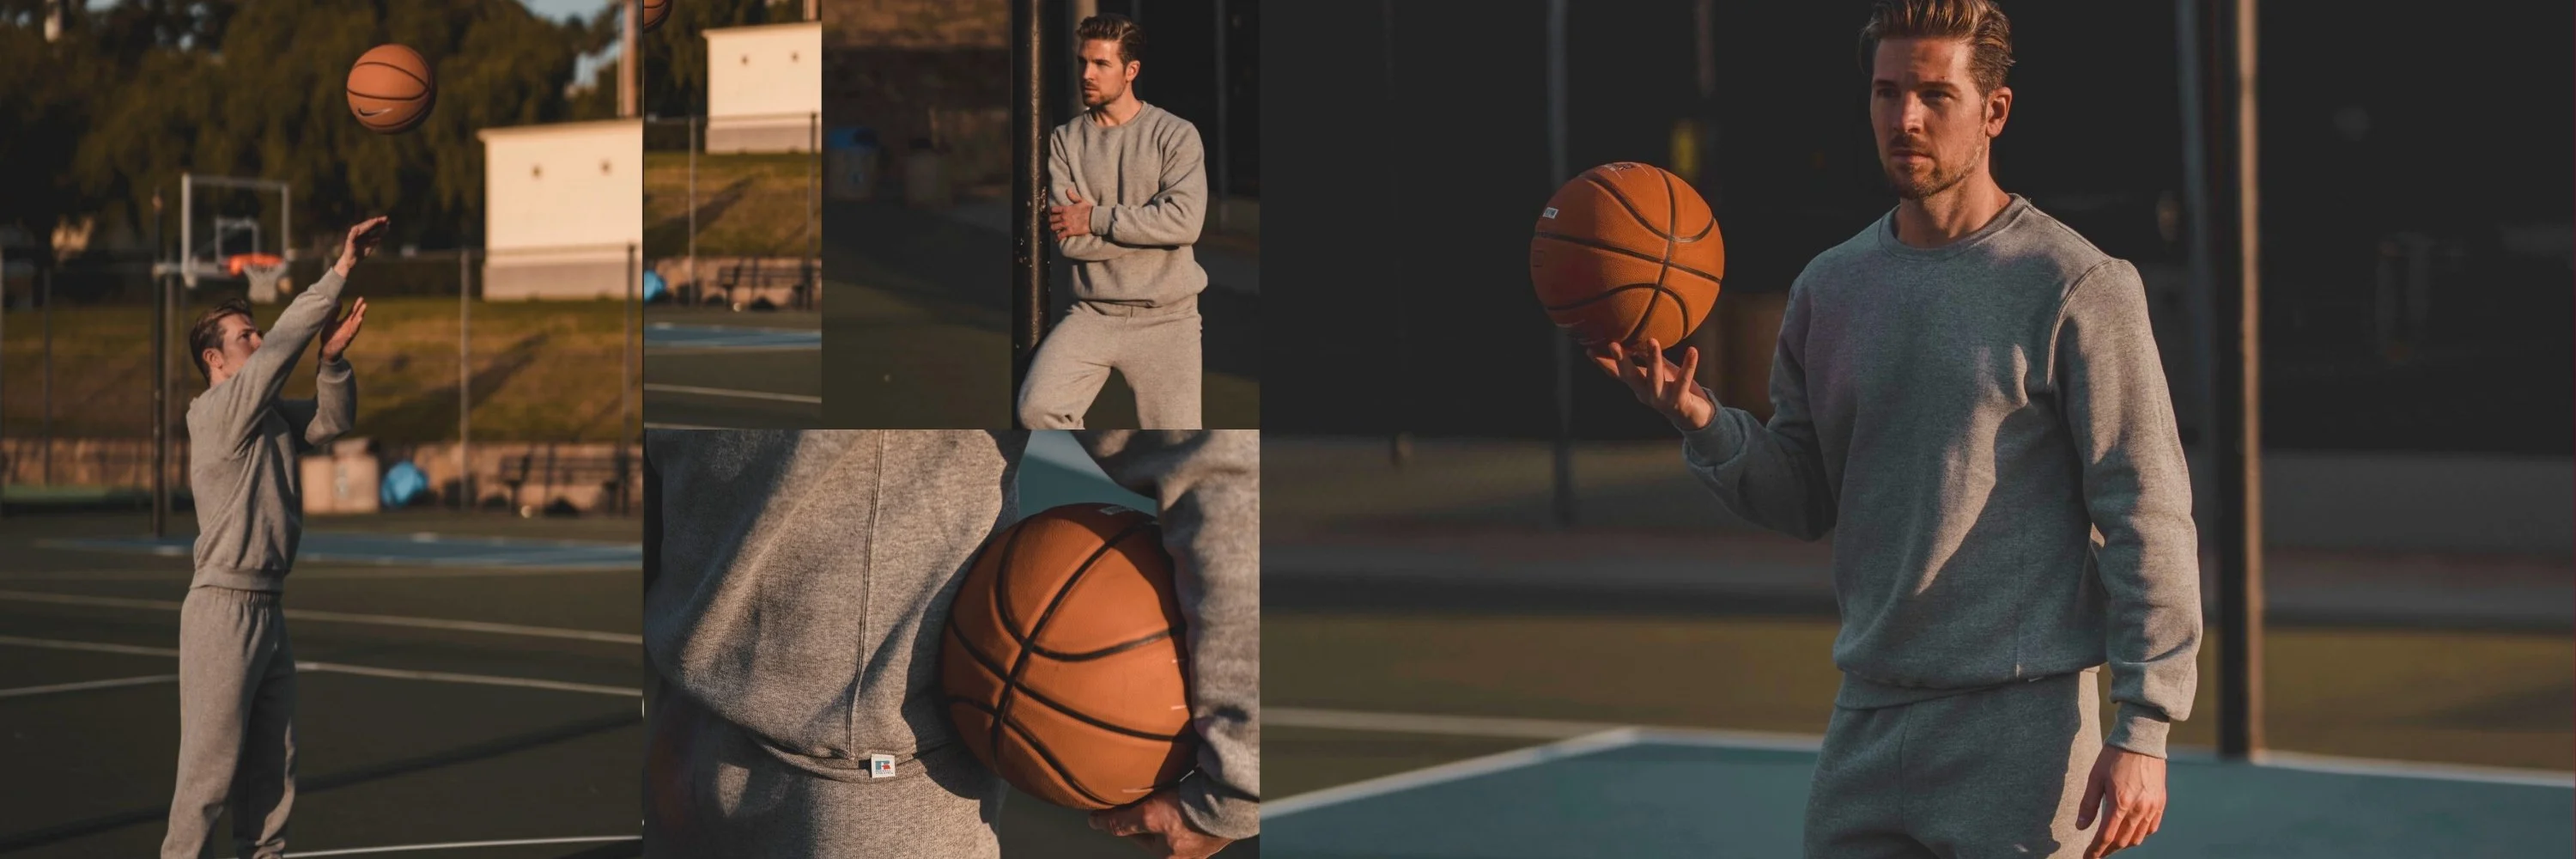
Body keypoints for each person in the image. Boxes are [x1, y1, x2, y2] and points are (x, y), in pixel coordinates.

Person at [1593, 3, 2199, 856]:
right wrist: (1698, 418)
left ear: (1994, 111)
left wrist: (2145, 723)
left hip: (2020, 730)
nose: (1905, 117)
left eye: (1934, 94)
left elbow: (2147, 510)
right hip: (1867, 722)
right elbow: (1803, 496)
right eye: (1886, 92)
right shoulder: (1829, 288)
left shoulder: (2077, 286)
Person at [641, 430, 1258, 859]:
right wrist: (1235, 788)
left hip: (858, 791)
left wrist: (1237, 784)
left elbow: (1215, 461)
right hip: (696, 743)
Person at [163, 216, 381, 859]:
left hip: (268, 608)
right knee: (207, 779)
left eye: (255, 331)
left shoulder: (266, 417)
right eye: (245, 336)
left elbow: (331, 422)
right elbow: (285, 342)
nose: (257, 341)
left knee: (271, 776)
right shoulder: (217, 413)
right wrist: (341, 266)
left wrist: (332, 363)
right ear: (215, 360)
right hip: (221, 610)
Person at [1018, 13, 1210, 430]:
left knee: (1177, 445)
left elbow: (1185, 223)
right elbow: (1070, 239)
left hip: (1168, 319)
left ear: (1130, 70)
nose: (1087, 74)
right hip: (1093, 313)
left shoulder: (1175, 135)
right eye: (1083, 62)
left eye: (1101, 64)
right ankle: (1091, 473)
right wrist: (1152, 228)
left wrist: (1096, 218)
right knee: (1037, 410)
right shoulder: (1065, 141)